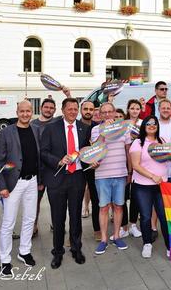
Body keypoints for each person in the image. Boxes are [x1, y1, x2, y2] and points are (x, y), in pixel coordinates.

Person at [39, 98, 91, 269]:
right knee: (58, 217)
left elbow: (87, 151)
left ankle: (76, 249)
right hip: (57, 178)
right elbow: (43, 152)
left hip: (76, 177)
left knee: (76, 216)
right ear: (62, 110)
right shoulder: (50, 128)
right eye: (70, 109)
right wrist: (58, 161)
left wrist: (92, 160)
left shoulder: (84, 128)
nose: (73, 112)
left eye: (76, 109)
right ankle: (58, 252)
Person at [0, 100, 42, 276]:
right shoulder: (6, 132)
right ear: (17, 112)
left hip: (32, 181)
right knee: (8, 223)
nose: (25, 114)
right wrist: (2, 186)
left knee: (30, 218)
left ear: (31, 112)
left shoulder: (36, 129)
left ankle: (24, 251)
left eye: (28, 111)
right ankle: (5, 259)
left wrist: (40, 179)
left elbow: (38, 156)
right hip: (13, 183)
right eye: (22, 111)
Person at [90, 103, 131, 255]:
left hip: (120, 173)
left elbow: (128, 152)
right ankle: (103, 239)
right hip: (102, 175)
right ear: (100, 115)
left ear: (115, 113)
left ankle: (117, 236)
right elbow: (95, 149)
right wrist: (104, 132)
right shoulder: (95, 129)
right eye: (104, 113)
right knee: (103, 207)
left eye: (110, 112)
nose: (107, 115)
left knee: (119, 206)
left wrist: (130, 171)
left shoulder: (124, 128)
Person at [128, 117, 170, 258]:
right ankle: (147, 244)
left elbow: (166, 159)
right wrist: (152, 176)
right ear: (144, 126)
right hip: (142, 186)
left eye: (154, 124)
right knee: (145, 216)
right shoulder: (138, 143)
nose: (152, 126)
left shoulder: (162, 141)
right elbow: (136, 165)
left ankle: (170, 246)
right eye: (148, 123)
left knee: (164, 217)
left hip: (161, 185)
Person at [77, 100, 101, 241]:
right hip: (77, 169)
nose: (88, 111)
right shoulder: (74, 126)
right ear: (81, 110)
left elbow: (100, 148)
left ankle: (97, 229)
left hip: (93, 168)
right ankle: (75, 233)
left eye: (91, 109)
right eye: (85, 108)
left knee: (96, 199)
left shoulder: (96, 127)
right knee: (75, 201)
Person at [32, 97, 56, 237]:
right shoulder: (32, 124)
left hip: (54, 169)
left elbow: (73, 112)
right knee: (35, 201)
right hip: (37, 170)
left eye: (51, 108)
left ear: (55, 110)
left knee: (56, 200)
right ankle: (33, 226)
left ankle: (56, 223)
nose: (48, 110)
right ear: (41, 108)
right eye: (46, 107)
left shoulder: (58, 122)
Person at [122, 99, 142, 239]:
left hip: (139, 164)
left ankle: (133, 224)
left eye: (137, 108)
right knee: (122, 196)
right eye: (132, 108)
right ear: (128, 109)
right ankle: (123, 226)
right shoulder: (123, 124)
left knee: (135, 196)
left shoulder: (143, 124)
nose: (134, 110)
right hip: (122, 162)